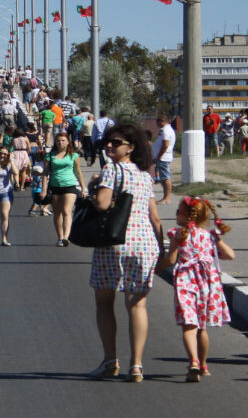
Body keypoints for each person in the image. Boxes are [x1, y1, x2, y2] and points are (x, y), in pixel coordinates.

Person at [88, 123, 163, 383]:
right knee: (137, 304)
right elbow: (155, 217)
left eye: (116, 142)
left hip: (114, 243)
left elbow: (102, 204)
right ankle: (137, 365)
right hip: (144, 244)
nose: (109, 145)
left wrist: (94, 188)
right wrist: (162, 250)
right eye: (108, 141)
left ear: (130, 147)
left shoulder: (111, 169)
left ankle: (110, 361)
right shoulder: (145, 176)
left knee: (104, 302)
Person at [156, 197, 235, 382]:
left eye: (178, 211)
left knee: (188, 326)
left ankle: (193, 361)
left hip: (186, 282)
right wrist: (218, 242)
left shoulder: (178, 234)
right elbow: (230, 255)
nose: (176, 214)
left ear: (186, 216)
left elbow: (171, 259)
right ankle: (203, 365)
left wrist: (158, 268)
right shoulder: (209, 236)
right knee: (202, 328)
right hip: (207, 284)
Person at [43, 132, 86, 247]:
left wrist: (83, 188)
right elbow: (45, 173)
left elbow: (78, 172)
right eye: (58, 141)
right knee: (57, 213)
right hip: (55, 186)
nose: (60, 143)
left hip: (70, 185)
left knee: (67, 211)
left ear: (68, 142)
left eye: (63, 140)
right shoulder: (50, 155)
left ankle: (66, 237)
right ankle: (60, 237)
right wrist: (44, 190)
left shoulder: (74, 155)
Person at [152, 115, 175, 204]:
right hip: (162, 157)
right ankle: (165, 197)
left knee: (165, 177)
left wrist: (159, 156)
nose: (157, 124)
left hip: (163, 158)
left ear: (162, 121)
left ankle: (167, 198)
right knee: (163, 178)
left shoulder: (166, 131)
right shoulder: (164, 130)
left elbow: (165, 145)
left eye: (158, 122)